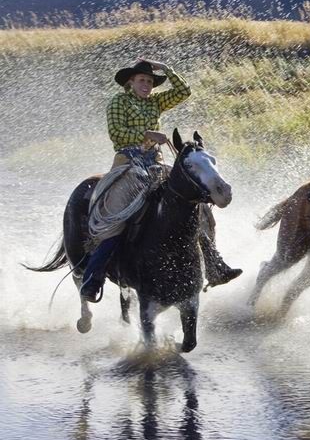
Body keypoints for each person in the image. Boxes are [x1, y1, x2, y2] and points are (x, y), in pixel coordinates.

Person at [80, 58, 241, 300]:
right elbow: (117, 133)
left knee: (192, 202)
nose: (146, 85)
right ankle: (93, 278)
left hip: (155, 163)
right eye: (142, 80)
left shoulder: (156, 101)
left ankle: (214, 264)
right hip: (128, 162)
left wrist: (165, 69)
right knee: (118, 218)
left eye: (150, 81)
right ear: (130, 82)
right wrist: (147, 134)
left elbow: (184, 92)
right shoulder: (119, 101)